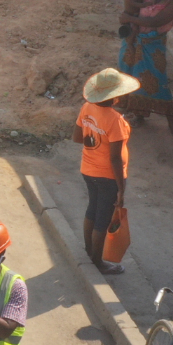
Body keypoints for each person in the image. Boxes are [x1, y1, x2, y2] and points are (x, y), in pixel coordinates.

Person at [73, 68, 138, 274]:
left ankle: (88, 250)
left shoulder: (87, 107)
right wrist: (121, 188)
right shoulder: (116, 121)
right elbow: (115, 158)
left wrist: (94, 138)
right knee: (103, 217)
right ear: (116, 97)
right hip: (108, 176)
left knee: (92, 208)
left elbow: (77, 137)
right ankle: (96, 262)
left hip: (88, 169)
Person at [118, 0, 173, 142]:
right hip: (135, 42)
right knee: (133, 79)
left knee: (159, 82)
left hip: (153, 46)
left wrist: (129, 18)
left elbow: (155, 22)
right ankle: (139, 115)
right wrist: (127, 16)